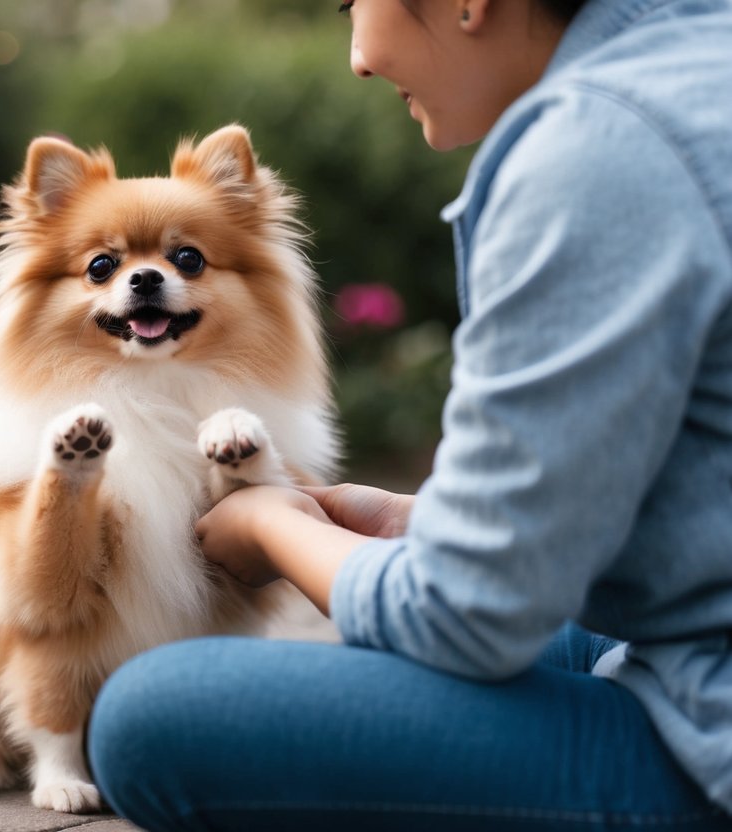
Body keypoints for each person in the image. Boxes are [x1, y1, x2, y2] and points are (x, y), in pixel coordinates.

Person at [86, 0, 732, 829]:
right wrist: (412, 525)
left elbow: (463, 620)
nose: (356, 57)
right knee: (460, 637)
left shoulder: (596, 152)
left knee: (152, 715)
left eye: (355, 3)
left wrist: (274, 530)